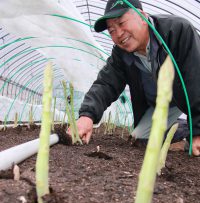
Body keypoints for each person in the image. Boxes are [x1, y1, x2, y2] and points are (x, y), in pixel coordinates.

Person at [73, 0, 200, 156]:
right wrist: (87, 115)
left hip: (188, 95)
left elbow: (196, 80)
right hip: (162, 104)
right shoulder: (121, 53)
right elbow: (106, 84)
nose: (118, 34)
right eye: (111, 30)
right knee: (140, 138)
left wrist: (198, 131)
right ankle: (183, 132)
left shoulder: (177, 31)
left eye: (121, 23)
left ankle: (193, 129)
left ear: (142, 16)